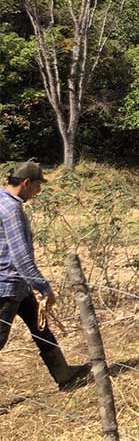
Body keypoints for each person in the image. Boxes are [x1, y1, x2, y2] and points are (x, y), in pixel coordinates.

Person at [0, 161, 90, 391]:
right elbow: (20, 257)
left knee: (41, 329)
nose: (38, 192)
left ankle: (65, 376)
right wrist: (44, 288)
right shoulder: (11, 211)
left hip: (17, 285)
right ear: (27, 183)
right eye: (38, 186)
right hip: (7, 286)